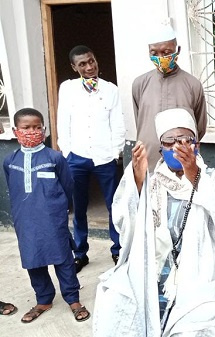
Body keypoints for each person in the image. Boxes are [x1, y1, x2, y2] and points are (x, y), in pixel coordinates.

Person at [93, 108, 215, 336]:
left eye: (185, 140)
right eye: (169, 142)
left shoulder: (213, 178)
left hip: (199, 267)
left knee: (191, 323)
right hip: (157, 263)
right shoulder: (154, 181)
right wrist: (137, 182)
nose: (177, 147)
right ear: (161, 149)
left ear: (197, 145)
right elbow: (124, 220)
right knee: (115, 300)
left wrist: (195, 177)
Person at [4, 108, 89, 323]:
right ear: (16, 131)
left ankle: (73, 299)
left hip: (52, 218)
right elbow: (14, 188)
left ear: (44, 129)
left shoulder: (55, 158)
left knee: (63, 259)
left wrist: (58, 208)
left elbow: (68, 185)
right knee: (33, 259)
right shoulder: (9, 161)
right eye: (26, 128)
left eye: (36, 127)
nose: (32, 131)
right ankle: (43, 299)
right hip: (25, 220)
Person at [57, 45, 126, 272]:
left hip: (105, 157)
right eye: (83, 64)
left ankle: (118, 249)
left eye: (91, 61)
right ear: (74, 67)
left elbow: (117, 123)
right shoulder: (67, 89)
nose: (89, 67)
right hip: (76, 157)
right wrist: (67, 152)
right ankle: (80, 253)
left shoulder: (110, 90)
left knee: (113, 206)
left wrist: (115, 152)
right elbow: (62, 122)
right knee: (79, 207)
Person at [132, 21, 208, 171]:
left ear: (177, 50)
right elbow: (140, 123)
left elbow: (199, 128)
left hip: (183, 164)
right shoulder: (139, 84)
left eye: (166, 52)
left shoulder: (193, 84)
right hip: (148, 163)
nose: (160, 58)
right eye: (154, 53)